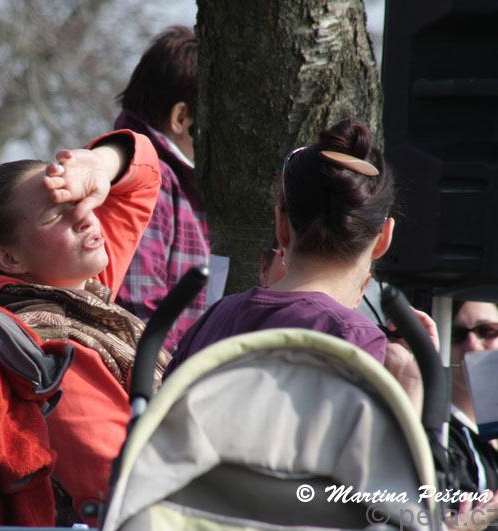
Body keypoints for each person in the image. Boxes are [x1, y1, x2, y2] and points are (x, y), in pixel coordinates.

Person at [0, 130, 162, 522]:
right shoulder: (49, 342)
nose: (85, 216)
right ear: (9, 259)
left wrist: (96, 166)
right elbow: (124, 484)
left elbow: (145, 174)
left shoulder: (69, 281)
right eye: (57, 215)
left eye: (79, 200)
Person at [168, 118, 396, 375]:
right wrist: (415, 378)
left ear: (282, 228)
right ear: (383, 239)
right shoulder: (360, 343)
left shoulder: (215, 320)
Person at [112, 26, 211, 352]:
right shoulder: (152, 178)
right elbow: (137, 309)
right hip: (159, 375)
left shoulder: (180, 183)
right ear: (181, 117)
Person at [448, 300, 498, 497]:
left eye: (488, 330)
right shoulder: (443, 435)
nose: (472, 344)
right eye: (456, 334)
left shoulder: (495, 428)